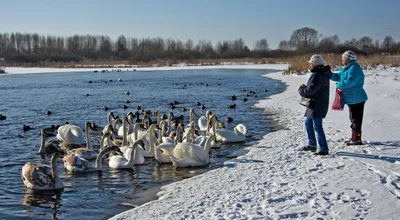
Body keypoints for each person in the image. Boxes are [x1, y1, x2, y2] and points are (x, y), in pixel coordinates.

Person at [330, 50, 368, 145]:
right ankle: (354, 137)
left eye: (343, 59)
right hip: (352, 99)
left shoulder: (354, 68)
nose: (342, 61)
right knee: (353, 118)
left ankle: (357, 139)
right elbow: (339, 76)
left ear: (347, 60)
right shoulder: (348, 68)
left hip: (357, 98)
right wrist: (328, 74)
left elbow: (351, 81)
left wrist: (339, 85)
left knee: (356, 118)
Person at [298, 55, 331, 155]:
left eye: (311, 63)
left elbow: (311, 90)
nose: (309, 65)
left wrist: (302, 91)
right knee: (308, 123)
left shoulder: (318, 75)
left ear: (314, 64)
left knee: (317, 126)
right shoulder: (321, 73)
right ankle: (312, 144)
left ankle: (323, 148)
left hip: (317, 104)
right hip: (315, 104)